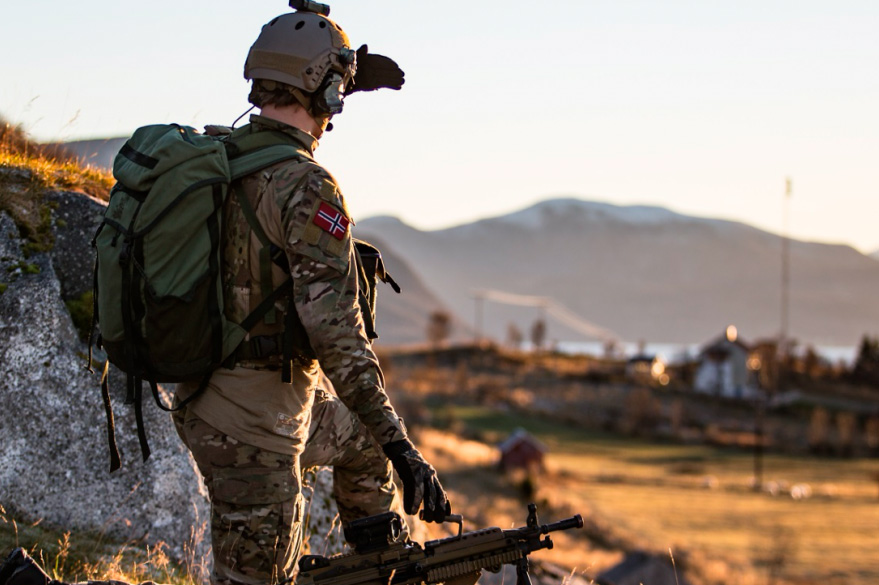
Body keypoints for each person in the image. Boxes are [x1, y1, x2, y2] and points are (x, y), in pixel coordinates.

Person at [1, 5, 450, 585]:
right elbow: (338, 338)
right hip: (252, 431)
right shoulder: (309, 187)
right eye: (338, 86)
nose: (340, 105)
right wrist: (405, 447)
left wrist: (382, 444)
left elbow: (301, 80)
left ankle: (377, 568)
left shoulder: (224, 156)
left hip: (209, 397)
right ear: (323, 88)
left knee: (360, 443)